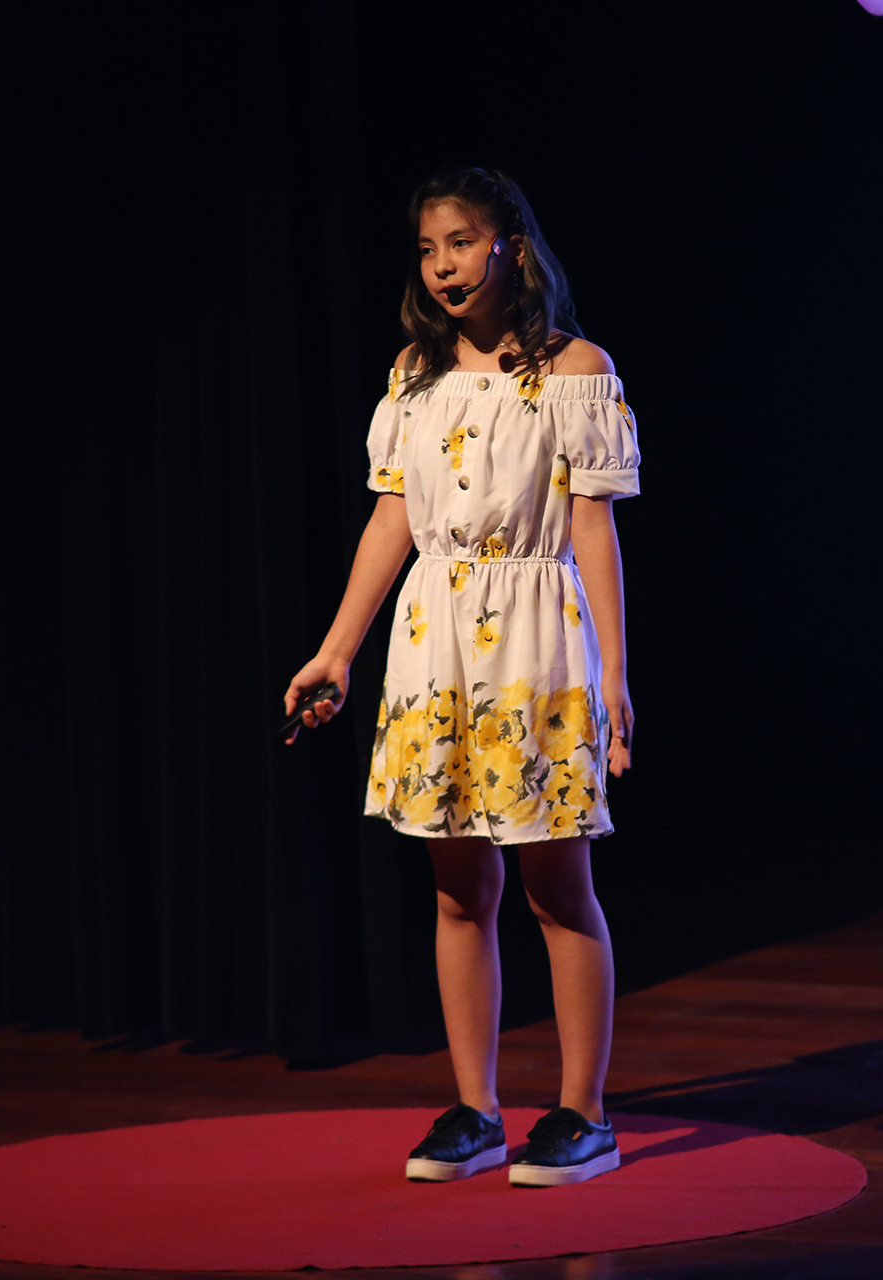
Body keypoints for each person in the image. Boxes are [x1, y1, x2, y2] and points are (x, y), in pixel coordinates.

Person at [283, 167, 639, 1188]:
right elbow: (392, 518)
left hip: (534, 643)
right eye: (429, 248)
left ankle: (584, 1113)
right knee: (457, 889)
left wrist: (614, 673)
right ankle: (476, 1108)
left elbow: (591, 526)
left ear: (509, 247)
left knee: (556, 885)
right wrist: (337, 649)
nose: (443, 266)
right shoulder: (415, 374)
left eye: (462, 242)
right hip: (434, 642)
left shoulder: (574, 370)